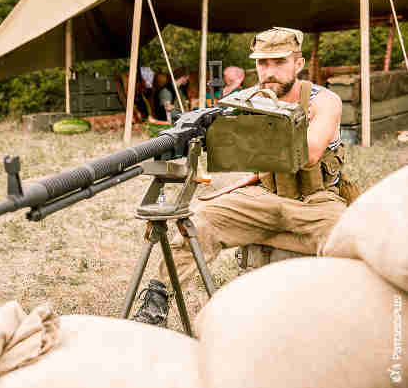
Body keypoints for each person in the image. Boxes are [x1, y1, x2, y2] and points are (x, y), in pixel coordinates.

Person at [132, 27, 347, 327]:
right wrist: (192, 132)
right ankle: (156, 302)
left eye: (278, 62)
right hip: (264, 195)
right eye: (262, 63)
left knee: (352, 242)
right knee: (202, 221)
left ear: (298, 64)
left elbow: (309, 153)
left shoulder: (323, 100)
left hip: (315, 200)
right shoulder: (245, 99)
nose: (269, 71)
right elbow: (208, 124)